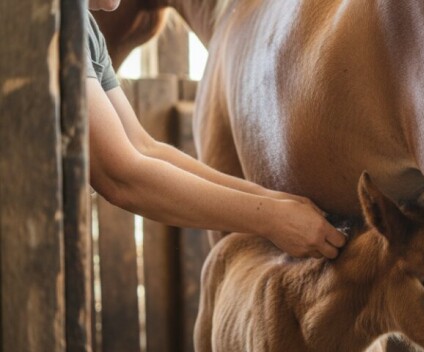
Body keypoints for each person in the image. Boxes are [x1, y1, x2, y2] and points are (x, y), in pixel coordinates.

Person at [86, 0, 346, 259]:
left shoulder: (87, 31)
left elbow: (144, 147)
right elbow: (118, 176)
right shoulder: (58, 28)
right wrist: (272, 218)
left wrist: (273, 198)